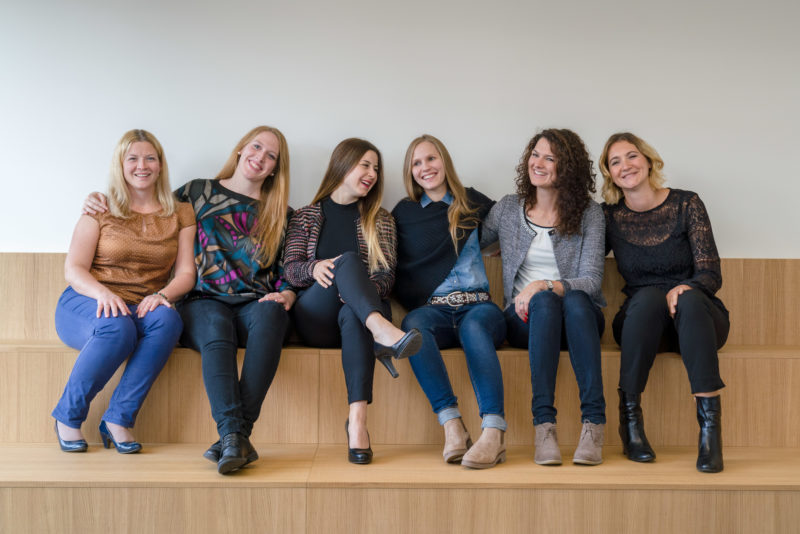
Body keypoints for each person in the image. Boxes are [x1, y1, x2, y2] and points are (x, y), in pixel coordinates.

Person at [83, 126, 295, 475]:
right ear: (241, 149)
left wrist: (286, 291)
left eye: (271, 155)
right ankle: (232, 435)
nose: (260, 157)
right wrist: (99, 198)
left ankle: (236, 437)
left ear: (275, 168)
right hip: (200, 300)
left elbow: (290, 267)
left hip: (253, 304)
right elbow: (146, 204)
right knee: (215, 326)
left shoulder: (281, 213)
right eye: (256, 147)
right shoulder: (197, 192)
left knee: (274, 314)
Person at [54, 129, 196, 454]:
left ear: (160, 165)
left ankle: (118, 418)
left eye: (149, 158)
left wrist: (163, 295)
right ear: (120, 164)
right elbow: (74, 268)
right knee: (117, 326)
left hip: (141, 304)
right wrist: (103, 294)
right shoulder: (100, 207)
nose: (141, 165)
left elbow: (186, 272)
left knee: (169, 320)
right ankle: (67, 415)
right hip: (87, 300)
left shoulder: (181, 213)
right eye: (132, 158)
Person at [284, 138, 421, 465]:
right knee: (346, 261)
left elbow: (387, 277)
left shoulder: (381, 219)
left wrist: (356, 290)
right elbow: (290, 270)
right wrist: (314, 267)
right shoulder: (306, 215)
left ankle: (357, 422)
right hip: (315, 316)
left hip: (356, 314)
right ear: (342, 165)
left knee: (353, 310)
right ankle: (383, 330)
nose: (372, 173)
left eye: (376, 168)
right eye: (365, 165)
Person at [600, 132, 729, 473]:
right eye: (615, 162)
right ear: (609, 174)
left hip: (697, 319)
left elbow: (711, 274)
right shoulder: (609, 217)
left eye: (631, 156)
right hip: (644, 327)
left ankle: (710, 435)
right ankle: (630, 424)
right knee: (648, 297)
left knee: (687, 299)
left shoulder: (687, 204)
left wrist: (684, 287)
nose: (625, 166)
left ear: (647, 160)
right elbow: (575, 255)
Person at [483, 128, 607, 466]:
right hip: (525, 319)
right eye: (535, 154)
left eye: (550, 158)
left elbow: (592, 281)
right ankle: (544, 427)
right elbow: (470, 239)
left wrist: (543, 284)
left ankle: (593, 425)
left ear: (567, 168)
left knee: (574, 300)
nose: (538, 163)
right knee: (544, 303)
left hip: (579, 320)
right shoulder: (508, 209)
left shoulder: (589, 214)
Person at [392, 134, 507, 469]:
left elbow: (514, 221)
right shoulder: (406, 212)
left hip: (480, 307)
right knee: (412, 327)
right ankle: (452, 424)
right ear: (410, 171)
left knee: (473, 328)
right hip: (436, 311)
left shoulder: (471, 200)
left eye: (431, 159)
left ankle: (493, 432)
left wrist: (507, 245)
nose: (425, 167)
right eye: (417, 163)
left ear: (444, 161)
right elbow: (399, 264)